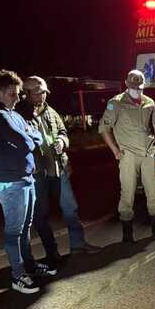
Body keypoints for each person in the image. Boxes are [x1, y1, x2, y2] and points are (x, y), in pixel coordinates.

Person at [0, 69, 56, 294]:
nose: (18, 98)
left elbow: (35, 135)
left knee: (25, 227)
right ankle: (17, 275)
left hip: (25, 178)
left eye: (18, 94)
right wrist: (29, 138)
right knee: (14, 230)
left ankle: (29, 266)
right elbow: (26, 142)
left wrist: (29, 137)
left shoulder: (12, 113)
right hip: (10, 182)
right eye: (13, 94)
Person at [15, 76, 101, 267]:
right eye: (37, 92)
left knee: (70, 208)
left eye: (44, 92)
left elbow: (63, 132)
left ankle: (78, 245)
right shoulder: (18, 114)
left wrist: (63, 142)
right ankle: (52, 253)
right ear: (25, 93)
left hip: (57, 168)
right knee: (41, 214)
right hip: (36, 173)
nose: (42, 95)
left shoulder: (51, 112)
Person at [99, 69, 155, 243]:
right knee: (127, 193)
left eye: (140, 86)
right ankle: (127, 232)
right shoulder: (116, 103)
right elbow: (104, 129)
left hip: (148, 154)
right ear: (127, 83)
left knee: (153, 192)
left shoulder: (149, 102)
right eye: (134, 86)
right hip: (128, 155)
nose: (138, 89)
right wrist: (115, 151)